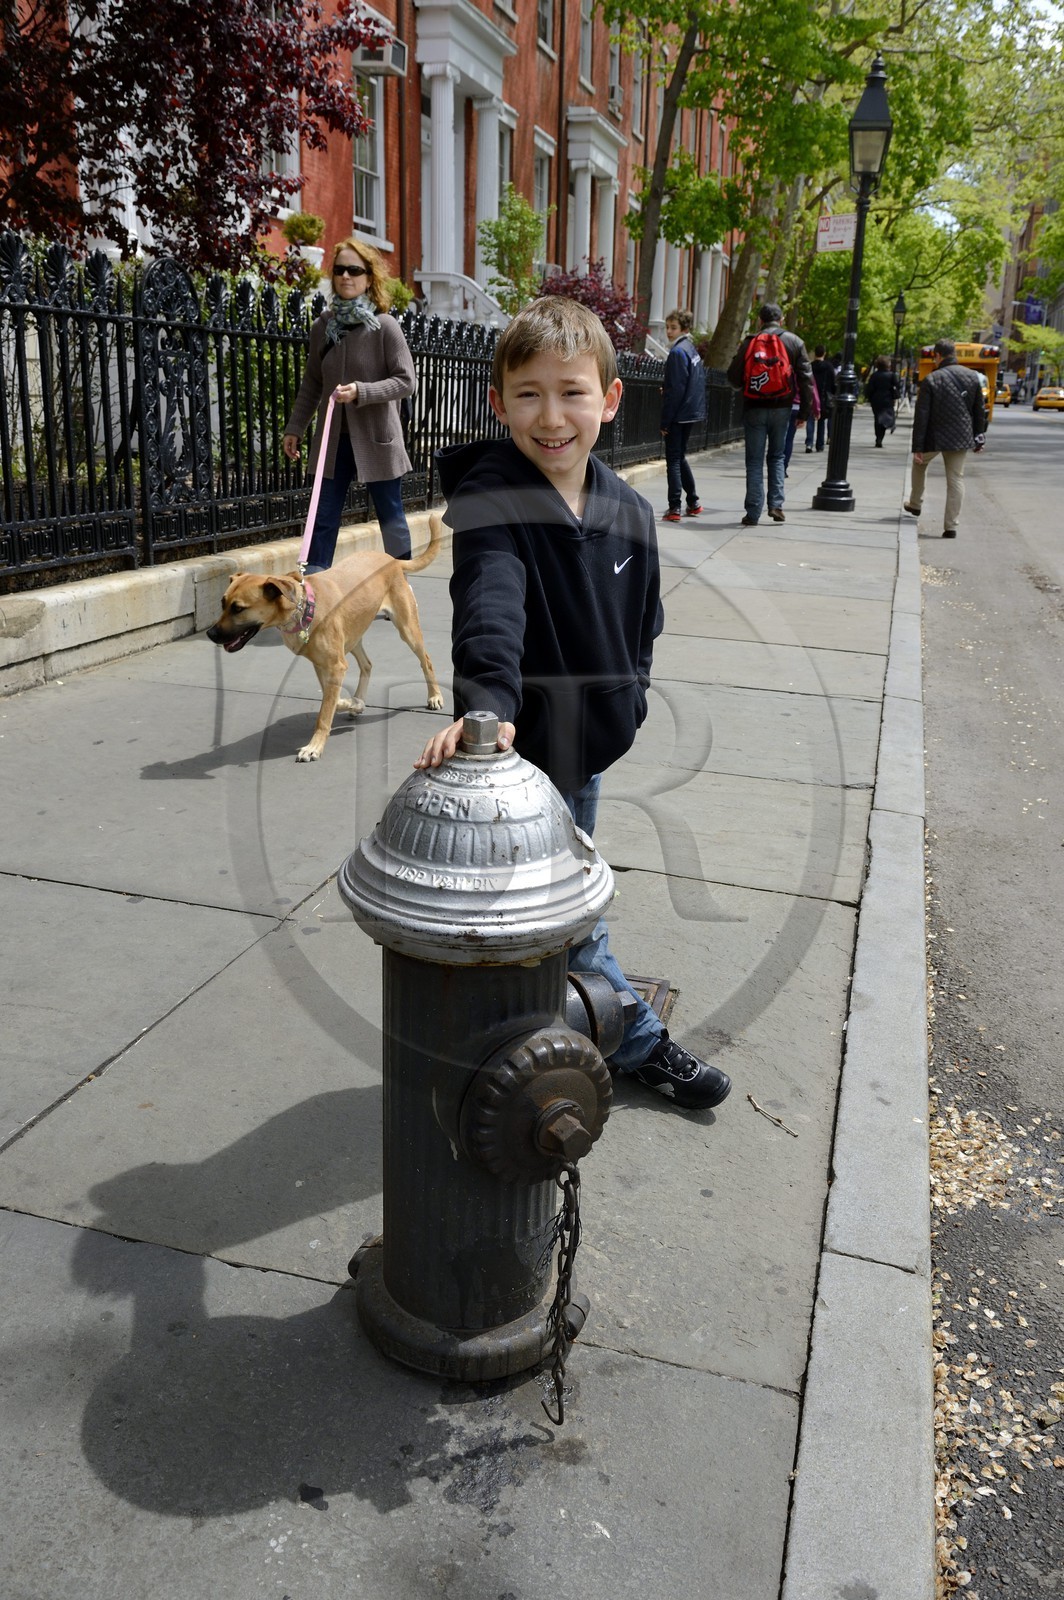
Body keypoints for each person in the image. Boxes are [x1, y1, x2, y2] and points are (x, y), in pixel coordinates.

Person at [414, 297, 731, 1112]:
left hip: (587, 749)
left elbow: (646, 620)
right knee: (575, 924)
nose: (550, 417)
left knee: (552, 919)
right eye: (528, 394)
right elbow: (491, 603)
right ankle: (637, 1043)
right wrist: (487, 706)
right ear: (498, 403)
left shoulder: (626, 507)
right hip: (518, 761)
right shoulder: (493, 499)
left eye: (571, 392)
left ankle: (528, 1038)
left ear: (610, 400)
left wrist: (632, 697)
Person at [283, 236, 415, 571]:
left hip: (377, 437)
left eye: (354, 270)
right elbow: (313, 382)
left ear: (369, 278)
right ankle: (315, 589)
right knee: (323, 516)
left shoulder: (385, 327)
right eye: (340, 269)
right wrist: (295, 427)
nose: (345, 276)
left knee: (391, 516)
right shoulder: (322, 327)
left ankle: (399, 585)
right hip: (333, 438)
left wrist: (362, 391)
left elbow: (406, 381)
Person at [726, 302, 815, 525]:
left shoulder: (750, 342)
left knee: (754, 461)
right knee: (777, 456)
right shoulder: (794, 341)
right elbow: (806, 380)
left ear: (760, 320)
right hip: (782, 408)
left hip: (754, 408)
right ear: (781, 320)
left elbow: (733, 377)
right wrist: (805, 411)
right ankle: (776, 505)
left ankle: (753, 512)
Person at [903, 338, 986, 538]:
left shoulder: (932, 379)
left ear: (938, 356)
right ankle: (951, 527)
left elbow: (921, 416)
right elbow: (979, 411)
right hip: (960, 437)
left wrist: (918, 447)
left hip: (935, 436)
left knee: (920, 465)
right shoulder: (972, 377)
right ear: (954, 354)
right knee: (956, 479)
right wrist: (979, 436)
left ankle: (915, 504)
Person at [660, 307, 706, 522]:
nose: (669, 331)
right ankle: (693, 501)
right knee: (680, 457)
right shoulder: (690, 349)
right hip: (691, 411)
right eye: (668, 327)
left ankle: (674, 507)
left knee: (674, 460)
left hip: (679, 413)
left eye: (673, 327)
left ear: (684, 328)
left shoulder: (678, 352)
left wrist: (665, 421)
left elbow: (676, 389)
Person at [864, 356, 898, 447]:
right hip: (887, 399)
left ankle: (878, 437)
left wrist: (869, 397)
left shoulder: (874, 375)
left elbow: (870, 388)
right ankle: (885, 430)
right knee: (886, 416)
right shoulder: (891, 375)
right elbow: (896, 387)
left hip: (876, 400)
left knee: (877, 418)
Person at [807, 345, 835, 451]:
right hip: (824, 396)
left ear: (815, 353)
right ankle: (820, 444)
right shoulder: (829, 366)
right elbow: (833, 382)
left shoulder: (810, 366)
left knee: (810, 419)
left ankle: (809, 443)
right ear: (824, 353)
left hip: (811, 395)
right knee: (821, 421)